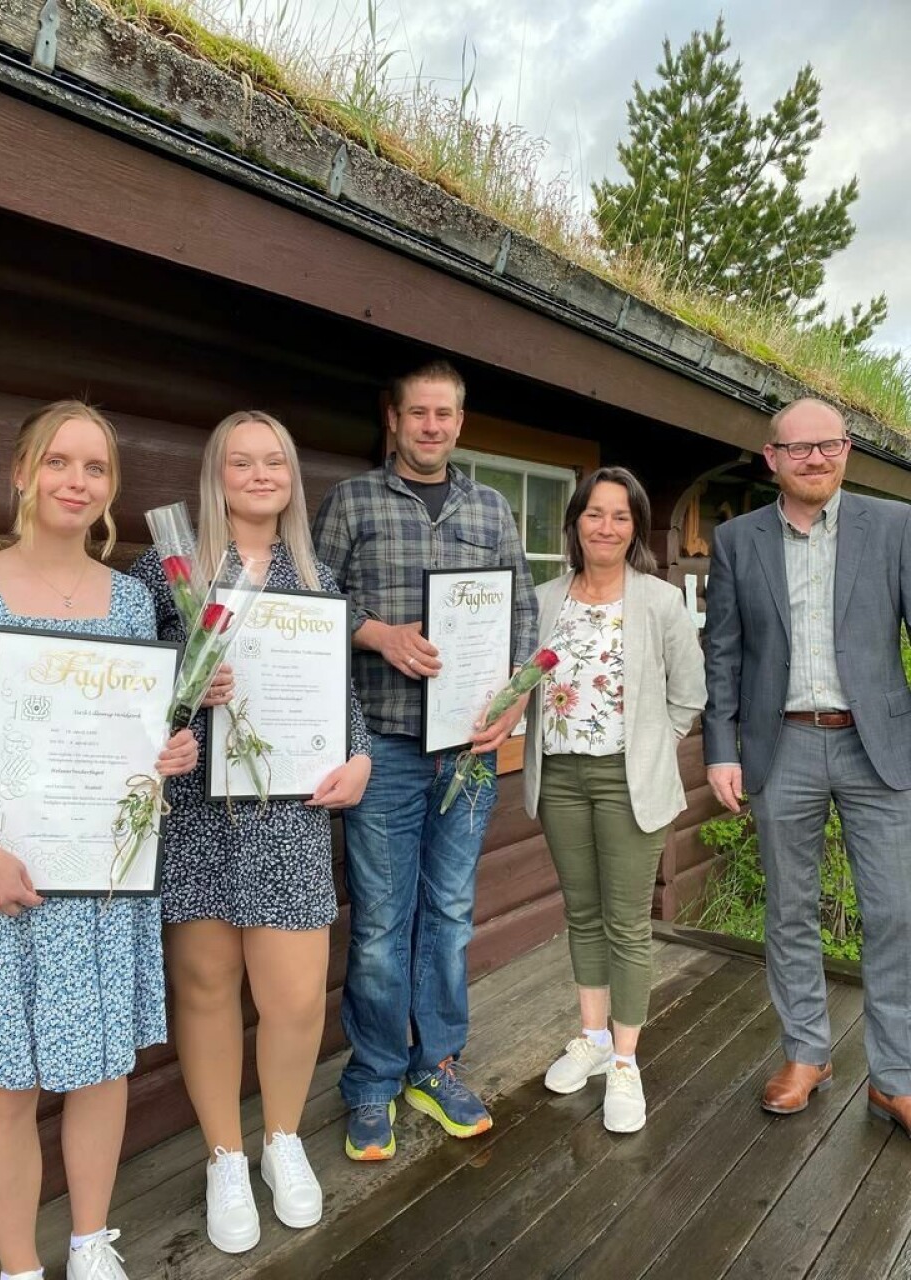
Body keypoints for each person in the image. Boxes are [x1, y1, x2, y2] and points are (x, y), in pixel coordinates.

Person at [0, 401, 197, 1280]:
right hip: (0, 885)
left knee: (100, 1071)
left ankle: (92, 1242)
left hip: (100, 885)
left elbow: (132, 735)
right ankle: (19, 1268)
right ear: (22, 472)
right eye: (58, 462)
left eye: (95, 468)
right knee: (5, 1085)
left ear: (110, 490)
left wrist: (168, 754)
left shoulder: (131, 602)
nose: (76, 481)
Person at [131, 410, 371, 1252]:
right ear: (217, 474)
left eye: (276, 461)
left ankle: (281, 1139)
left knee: (296, 996)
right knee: (205, 989)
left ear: (292, 477)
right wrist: (185, 678)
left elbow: (340, 694)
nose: (261, 474)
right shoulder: (169, 569)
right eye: (243, 461)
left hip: (288, 812)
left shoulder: (318, 575)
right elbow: (129, 686)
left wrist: (360, 757)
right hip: (199, 813)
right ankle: (225, 1158)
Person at [312, 358, 538, 1161]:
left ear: (459, 423)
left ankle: (434, 1063)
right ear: (394, 418)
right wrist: (378, 634)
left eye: (445, 415)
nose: (432, 427)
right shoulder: (352, 502)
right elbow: (313, 600)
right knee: (380, 923)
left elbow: (521, 612)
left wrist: (514, 703)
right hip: (385, 745)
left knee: (448, 914)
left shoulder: (491, 509)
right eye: (419, 414)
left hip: (467, 752)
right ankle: (373, 1077)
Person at [704, 397, 911, 1131]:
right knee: (789, 909)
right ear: (772, 458)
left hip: (878, 746)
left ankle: (896, 1076)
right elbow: (723, 653)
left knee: (895, 911)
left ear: (846, 449)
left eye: (828, 445)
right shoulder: (737, 540)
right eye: (799, 448)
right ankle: (807, 1054)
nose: (815, 458)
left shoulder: (895, 526)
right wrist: (721, 749)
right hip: (781, 743)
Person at [523, 466, 705, 1132]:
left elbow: (689, 693)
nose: (605, 527)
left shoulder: (658, 601)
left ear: (635, 528)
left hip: (628, 780)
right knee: (582, 912)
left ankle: (625, 1061)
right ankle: (593, 1039)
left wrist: (654, 744)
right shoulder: (544, 600)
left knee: (626, 922)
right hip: (560, 776)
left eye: (620, 516)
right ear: (575, 522)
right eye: (594, 514)